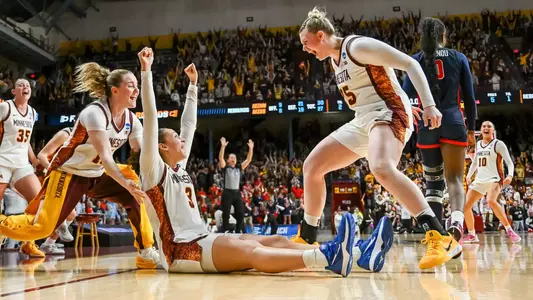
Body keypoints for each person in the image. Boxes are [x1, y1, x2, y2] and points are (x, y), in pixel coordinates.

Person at [137, 47, 392, 276]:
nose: (182, 139)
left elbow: (189, 125)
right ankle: (325, 257)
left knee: (273, 241)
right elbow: (150, 120)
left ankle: (360, 256)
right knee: (252, 251)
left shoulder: (178, 167)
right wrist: (146, 72)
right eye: (174, 137)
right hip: (181, 249)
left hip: (202, 238)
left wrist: (193, 87)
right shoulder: (153, 170)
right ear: (161, 146)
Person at [295, 6, 459, 269]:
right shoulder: (334, 60)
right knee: (312, 166)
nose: (305, 49)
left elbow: (410, 63)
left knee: (381, 167)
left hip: (387, 113)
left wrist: (428, 104)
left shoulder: (357, 47)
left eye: (306, 42)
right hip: (364, 120)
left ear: (321, 35)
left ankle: (440, 235)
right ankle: (307, 237)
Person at [0, 62, 159, 268]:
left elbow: (139, 152)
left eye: (137, 85)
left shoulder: (132, 120)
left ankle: (146, 251)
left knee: (136, 192)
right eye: (131, 85)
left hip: (98, 172)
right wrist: (126, 183)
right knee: (42, 227)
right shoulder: (94, 113)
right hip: (69, 173)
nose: (136, 90)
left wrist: (150, 176)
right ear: (115, 90)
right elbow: (108, 159)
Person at [402, 17, 477, 246]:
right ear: (443, 36)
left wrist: (412, 123)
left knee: (433, 183)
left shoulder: (414, 60)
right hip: (454, 122)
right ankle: (456, 223)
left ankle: (434, 236)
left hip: (427, 125)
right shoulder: (459, 57)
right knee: (454, 179)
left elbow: (405, 98)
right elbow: (470, 98)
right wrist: (472, 129)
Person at [0, 78, 46, 257]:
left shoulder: (33, 113)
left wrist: (34, 160)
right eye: (20, 85)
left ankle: (29, 242)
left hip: (21, 164)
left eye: (27, 85)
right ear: (13, 91)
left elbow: (26, 141)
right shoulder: (5, 108)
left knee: (38, 201)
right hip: (2, 160)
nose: (25, 87)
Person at [463, 121, 520, 243]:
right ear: (481, 130)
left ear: (493, 130)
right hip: (480, 180)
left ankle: (509, 229)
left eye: (489, 126)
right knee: (466, 206)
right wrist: (469, 175)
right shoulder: (478, 144)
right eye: (484, 126)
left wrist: (510, 175)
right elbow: (475, 162)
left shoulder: (498, 144)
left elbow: (509, 162)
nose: (486, 128)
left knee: (491, 200)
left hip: (495, 178)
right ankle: (472, 234)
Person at [35, 127, 77, 255]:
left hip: (63, 178)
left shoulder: (86, 139)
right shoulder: (65, 134)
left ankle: (48, 244)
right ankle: (29, 243)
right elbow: (41, 155)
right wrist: (53, 170)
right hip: (47, 175)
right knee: (39, 217)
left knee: (71, 214)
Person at [218, 137, 254, 233]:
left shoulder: (239, 167)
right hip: (227, 193)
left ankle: (238, 231)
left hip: (236, 193)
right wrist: (223, 147)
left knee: (241, 213)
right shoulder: (225, 167)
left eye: (234, 157)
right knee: (226, 213)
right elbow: (221, 158)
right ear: (228, 160)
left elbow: (248, 159)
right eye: (231, 157)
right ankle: (225, 229)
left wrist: (251, 148)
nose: (233, 159)